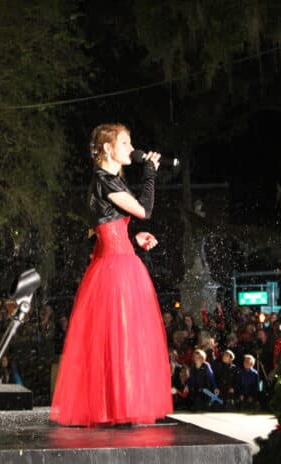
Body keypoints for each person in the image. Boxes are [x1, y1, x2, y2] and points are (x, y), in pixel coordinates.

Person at [50, 123, 172, 426]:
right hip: (118, 270)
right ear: (108, 148)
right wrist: (151, 172)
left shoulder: (104, 182)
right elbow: (144, 210)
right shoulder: (106, 181)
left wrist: (134, 240)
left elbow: (100, 232)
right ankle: (119, 409)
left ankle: (115, 407)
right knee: (122, 339)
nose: (132, 149)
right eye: (125, 143)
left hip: (115, 262)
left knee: (118, 339)